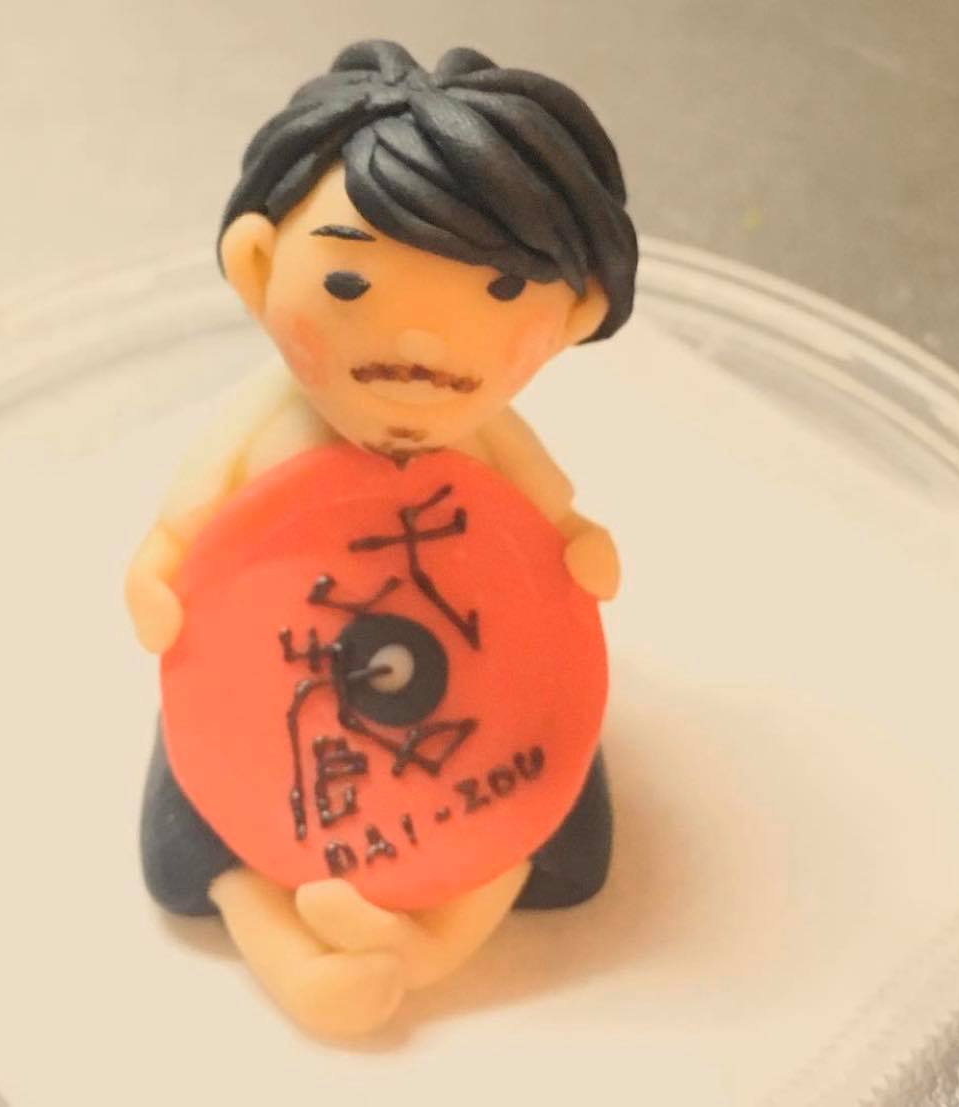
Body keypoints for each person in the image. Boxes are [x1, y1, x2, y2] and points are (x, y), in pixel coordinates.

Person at [126, 39, 638, 1038]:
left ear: (574, 313)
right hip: (265, 708)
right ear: (257, 267)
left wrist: (577, 540)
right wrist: (155, 572)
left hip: (475, 723)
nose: (422, 344)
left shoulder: (489, 439)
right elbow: (178, 528)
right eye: (351, 286)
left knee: (547, 830)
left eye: (500, 294)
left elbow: (561, 524)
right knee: (200, 841)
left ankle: (428, 948)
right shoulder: (266, 424)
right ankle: (292, 959)